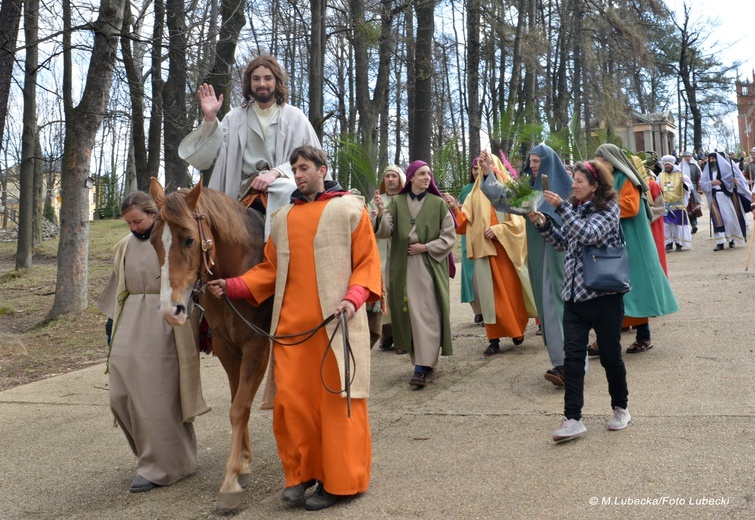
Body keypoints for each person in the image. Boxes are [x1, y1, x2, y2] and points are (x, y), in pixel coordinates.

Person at [206, 145, 381, 511]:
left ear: (322, 169)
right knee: (293, 405)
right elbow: (270, 270)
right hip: (290, 332)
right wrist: (232, 286)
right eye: (295, 170)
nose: (299, 175)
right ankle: (301, 475)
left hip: (335, 327)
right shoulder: (283, 217)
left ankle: (341, 481)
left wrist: (353, 297)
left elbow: (367, 262)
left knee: (336, 405)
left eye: (304, 168)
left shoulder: (350, 208)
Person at [97, 191, 209, 493]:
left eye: (137, 220)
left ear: (153, 215)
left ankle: (169, 465)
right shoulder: (124, 245)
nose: (134, 227)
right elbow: (117, 287)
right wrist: (111, 326)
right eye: (128, 223)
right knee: (121, 396)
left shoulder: (171, 239)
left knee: (156, 397)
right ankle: (149, 458)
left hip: (165, 322)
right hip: (127, 321)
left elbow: (191, 278)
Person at [528, 161, 630, 442]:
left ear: (595, 186)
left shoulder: (609, 208)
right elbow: (565, 243)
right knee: (572, 359)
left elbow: (588, 235)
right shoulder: (578, 207)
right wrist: (544, 224)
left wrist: (561, 208)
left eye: (579, 181)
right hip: (574, 298)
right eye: (573, 180)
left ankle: (620, 408)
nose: (573, 185)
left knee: (610, 356)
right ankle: (573, 418)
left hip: (605, 297)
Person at [178, 54, 322, 238]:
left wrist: (276, 172)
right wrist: (209, 119)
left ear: (277, 82)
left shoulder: (295, 117)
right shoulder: (234, 118)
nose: (262, 83)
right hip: (240, 188)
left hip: (283, 182)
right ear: (249, 83)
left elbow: (313, 159)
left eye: (268, 78)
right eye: (256, 78)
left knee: (290, 192)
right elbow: (206, 157)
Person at [482, 143, 572, 386]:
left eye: (536, 161)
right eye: (530, 161)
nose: (531, 165)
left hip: (558, 254)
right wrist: (489, 172)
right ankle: (560, 362)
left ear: (548, 163)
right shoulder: (530, 189)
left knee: (559, 305)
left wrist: (546, 218)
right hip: (538, 253)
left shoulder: (566, 188)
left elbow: (569, 220)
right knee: (546, 305)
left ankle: (570, 364)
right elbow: (504, 200)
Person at [373, 160, 455, 387]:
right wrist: (380, 213)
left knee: (427, 314)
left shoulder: (438, 204)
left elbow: (449, 236)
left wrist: (426, 247)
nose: (427, 177)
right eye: (421, 174)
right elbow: (385, 231)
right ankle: (421, 362)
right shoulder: (397, 203)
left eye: (429, 173)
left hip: (428, 266)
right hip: (402, 268)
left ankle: (421, 367)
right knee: (409, 315)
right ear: (411, 178)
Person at [594, 144, 678, 354]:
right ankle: (608, 339)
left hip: (633, 241)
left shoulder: (627, 179)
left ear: (611, 160)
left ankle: (643, 336)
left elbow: (630, 207)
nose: (597, 164)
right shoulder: (606, 179)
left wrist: (600, 205)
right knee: (615, 290)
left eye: (600, 160)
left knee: (637, 288)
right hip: (616, 240)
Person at [444, 150, 530, 356]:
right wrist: (454, 209)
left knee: (511, 294)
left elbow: (519, 222)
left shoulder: (508, 189)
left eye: (486, 164)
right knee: (488, 297)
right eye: (479, 166)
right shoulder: (474, 194)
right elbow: (464, 224)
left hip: (505, 251)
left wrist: (499, 230)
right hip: (484, 253)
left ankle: (516, 331)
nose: (481, 169)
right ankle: (494, 339)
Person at [368, 165, 406, 352]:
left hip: (401, 253)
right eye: (387, 176)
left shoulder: (406, 200)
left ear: (400, 179)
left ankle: (402, 336)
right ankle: (386, 334)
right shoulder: (376, 200)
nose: (390, 179)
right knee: (385, 293)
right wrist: (374, 217)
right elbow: (367, 225)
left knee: (401, 293)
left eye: (394, 176)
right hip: (381, 253)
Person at [700, 151, 751, 251]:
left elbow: (736, 182)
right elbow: (702, 183)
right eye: (710, 159)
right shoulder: (708, 171)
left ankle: (731, 239)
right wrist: (711, 183)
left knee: (729, 219)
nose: (712, 161)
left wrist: (735, 182)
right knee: (717, 219)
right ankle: (720, 242)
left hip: (727, 197)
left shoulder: (728, 169)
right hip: (715, 197)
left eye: (713, 159)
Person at [630, 156, 668, 274]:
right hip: (635, 224)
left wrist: (644, 216)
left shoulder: (653, 185)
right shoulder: (629, 185)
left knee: (655, 252)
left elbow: (660, 207)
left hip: (652, 223)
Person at [457, 159, 484, 325]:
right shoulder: (466, 190)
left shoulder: (489, 187)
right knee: (470, 274)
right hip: (468, 234)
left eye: (479, 168)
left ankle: (488, 308)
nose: (476, 171)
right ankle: (478, 311)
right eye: (474, 168)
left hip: (485, 235)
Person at [657, 155, 693, 252]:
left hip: (678, 204)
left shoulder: (680, 174)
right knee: (666, 225)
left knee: (679, 225)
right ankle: (668, 243)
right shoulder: (661, 176)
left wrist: (684, 183)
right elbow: (657, 188)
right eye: (666, 164)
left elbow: (689, 186)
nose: (667, 166)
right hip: (666, 205)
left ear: (672, 165)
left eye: (669, 164)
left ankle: (679, 243)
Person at [680, 150, 703, 233]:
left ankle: (694, 224)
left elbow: (699, 178)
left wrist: (699, 189)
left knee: (695, 206)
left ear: (691, 157)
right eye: (685, 156)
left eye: (689, 156)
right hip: (684, 188)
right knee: (688, 207)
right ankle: (692, 224)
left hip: (693, 188)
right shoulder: (680, 166)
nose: (687, 158)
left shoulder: (694, 166)